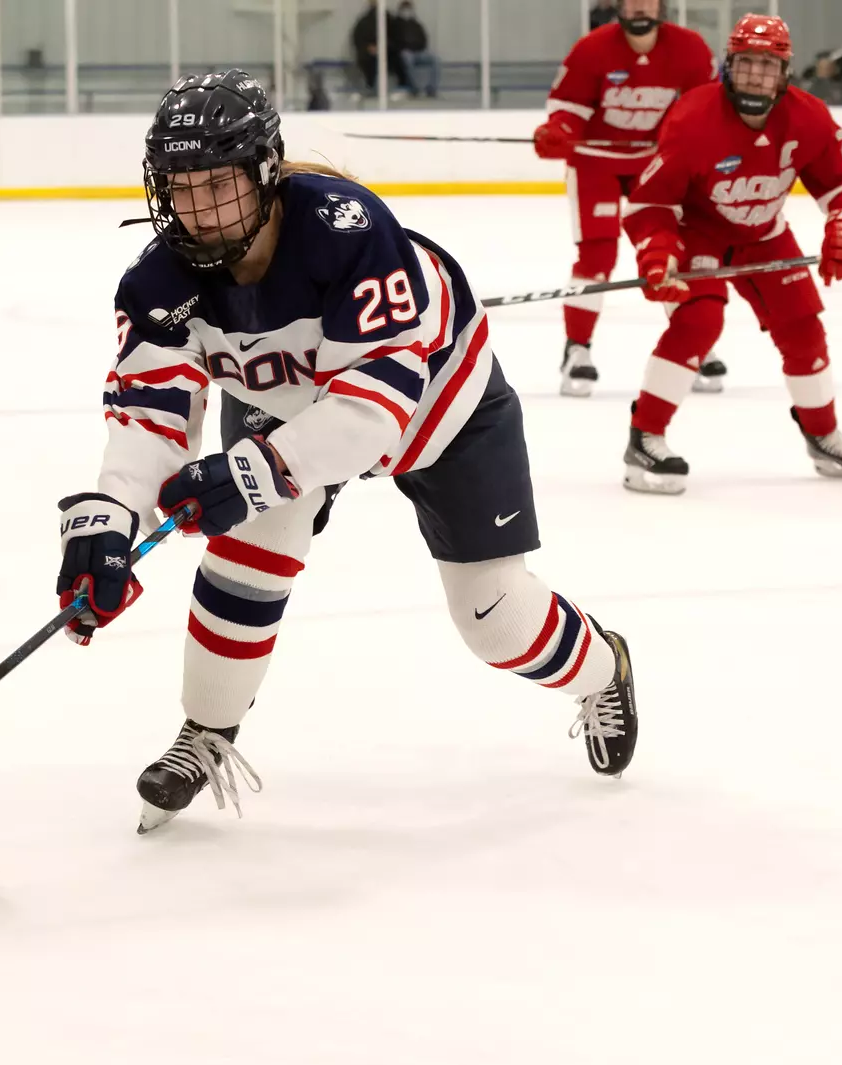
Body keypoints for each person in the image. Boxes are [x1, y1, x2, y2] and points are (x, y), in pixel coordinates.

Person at [57, 71, 640, 833]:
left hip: (441, 413)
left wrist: (250, 471)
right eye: (180, 187)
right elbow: (149, 414)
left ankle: (605, 668)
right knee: (247, 549)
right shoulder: (157, 282)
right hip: (282, 413)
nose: (197, 210)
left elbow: (373, 411)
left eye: (218, 185)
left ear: (267, 170)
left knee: (492, 618)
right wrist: (108, 518)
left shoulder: (345, 228)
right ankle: (208, 729)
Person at [619, 15, 842, 493]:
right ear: (728, 66)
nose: (756, 74)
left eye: (768, 64)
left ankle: (822, 435)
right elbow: (650, 203)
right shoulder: (692, 119)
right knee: (698, 322)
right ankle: (645, 437)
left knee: (803, 327)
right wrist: (658, 253)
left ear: (784, 73)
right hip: (698, 234)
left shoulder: (809, 117)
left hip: (765, 233)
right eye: (746, 63)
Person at [534, 0, 724, 397]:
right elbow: (567, 108)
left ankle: (694, 343)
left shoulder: (690, 48)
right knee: (597, 255)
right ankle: (578, 350)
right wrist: (559, 130)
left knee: (669, 250)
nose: (640, 6)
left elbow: (707, 109)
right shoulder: (591, 49)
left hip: (653, 163)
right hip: (595, 162)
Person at [350, 0, 410, 99]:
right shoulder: (364, 21)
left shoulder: (389, 19)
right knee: (368, 61)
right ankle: (370, 87)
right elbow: (357, 39)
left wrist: (384, 47)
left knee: (398, 59)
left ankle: (402, 87)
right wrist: (368, 48)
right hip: (369, 53)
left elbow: (396, 38)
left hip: (388, 52)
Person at [392, 2, 438, 99]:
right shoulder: (395, 24)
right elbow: (394, 41)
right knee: (407, 58)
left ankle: (431, 89)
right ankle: (415, 89)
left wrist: (418, 47)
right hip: (404, 52)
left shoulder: (416, 24)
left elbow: (424, 39)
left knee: (435, 60)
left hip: (418, 51)